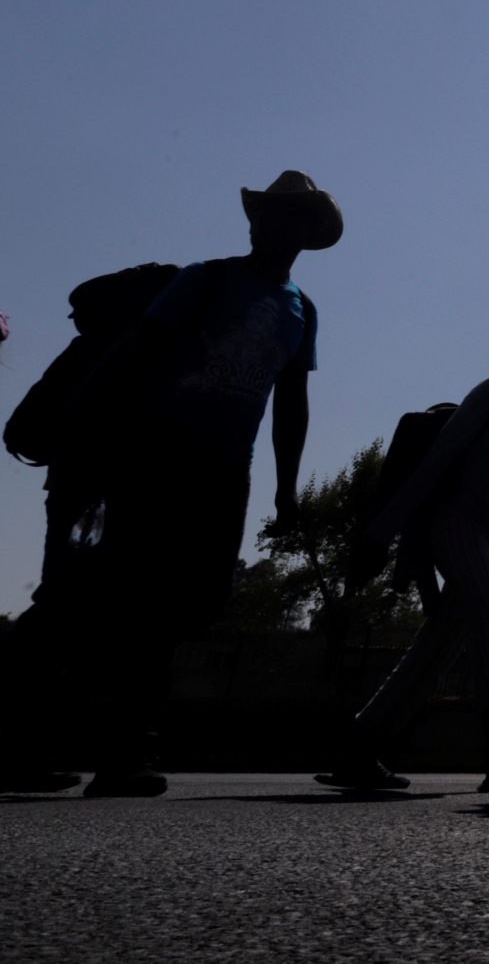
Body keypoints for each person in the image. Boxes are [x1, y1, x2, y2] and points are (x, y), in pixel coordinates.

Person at [84, 171, 341, 798]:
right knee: (142, 598)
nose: (280, 227)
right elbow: (139, 353)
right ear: (255, 222)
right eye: (272, 214)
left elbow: (292, 402)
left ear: (307, 233)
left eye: (295, 218)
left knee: (198, 600)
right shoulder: (206, 277)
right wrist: (94, 438)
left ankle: (120, 724)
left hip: (229, 467)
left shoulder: (301, 310)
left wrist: (286, 489)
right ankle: (125, 749)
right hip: (158, 452)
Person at [318, 311, 489, 793]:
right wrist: (380, 536)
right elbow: (433, 465)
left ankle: (361, 745)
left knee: (441, 642)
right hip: (454, 520)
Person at [0, 265, 176, 792]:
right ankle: (120, 757)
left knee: (66, 614)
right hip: (101, 498)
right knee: (123, 618)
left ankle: (28, 752)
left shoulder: (97, 347)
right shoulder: (132, 347)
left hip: (84, 495)